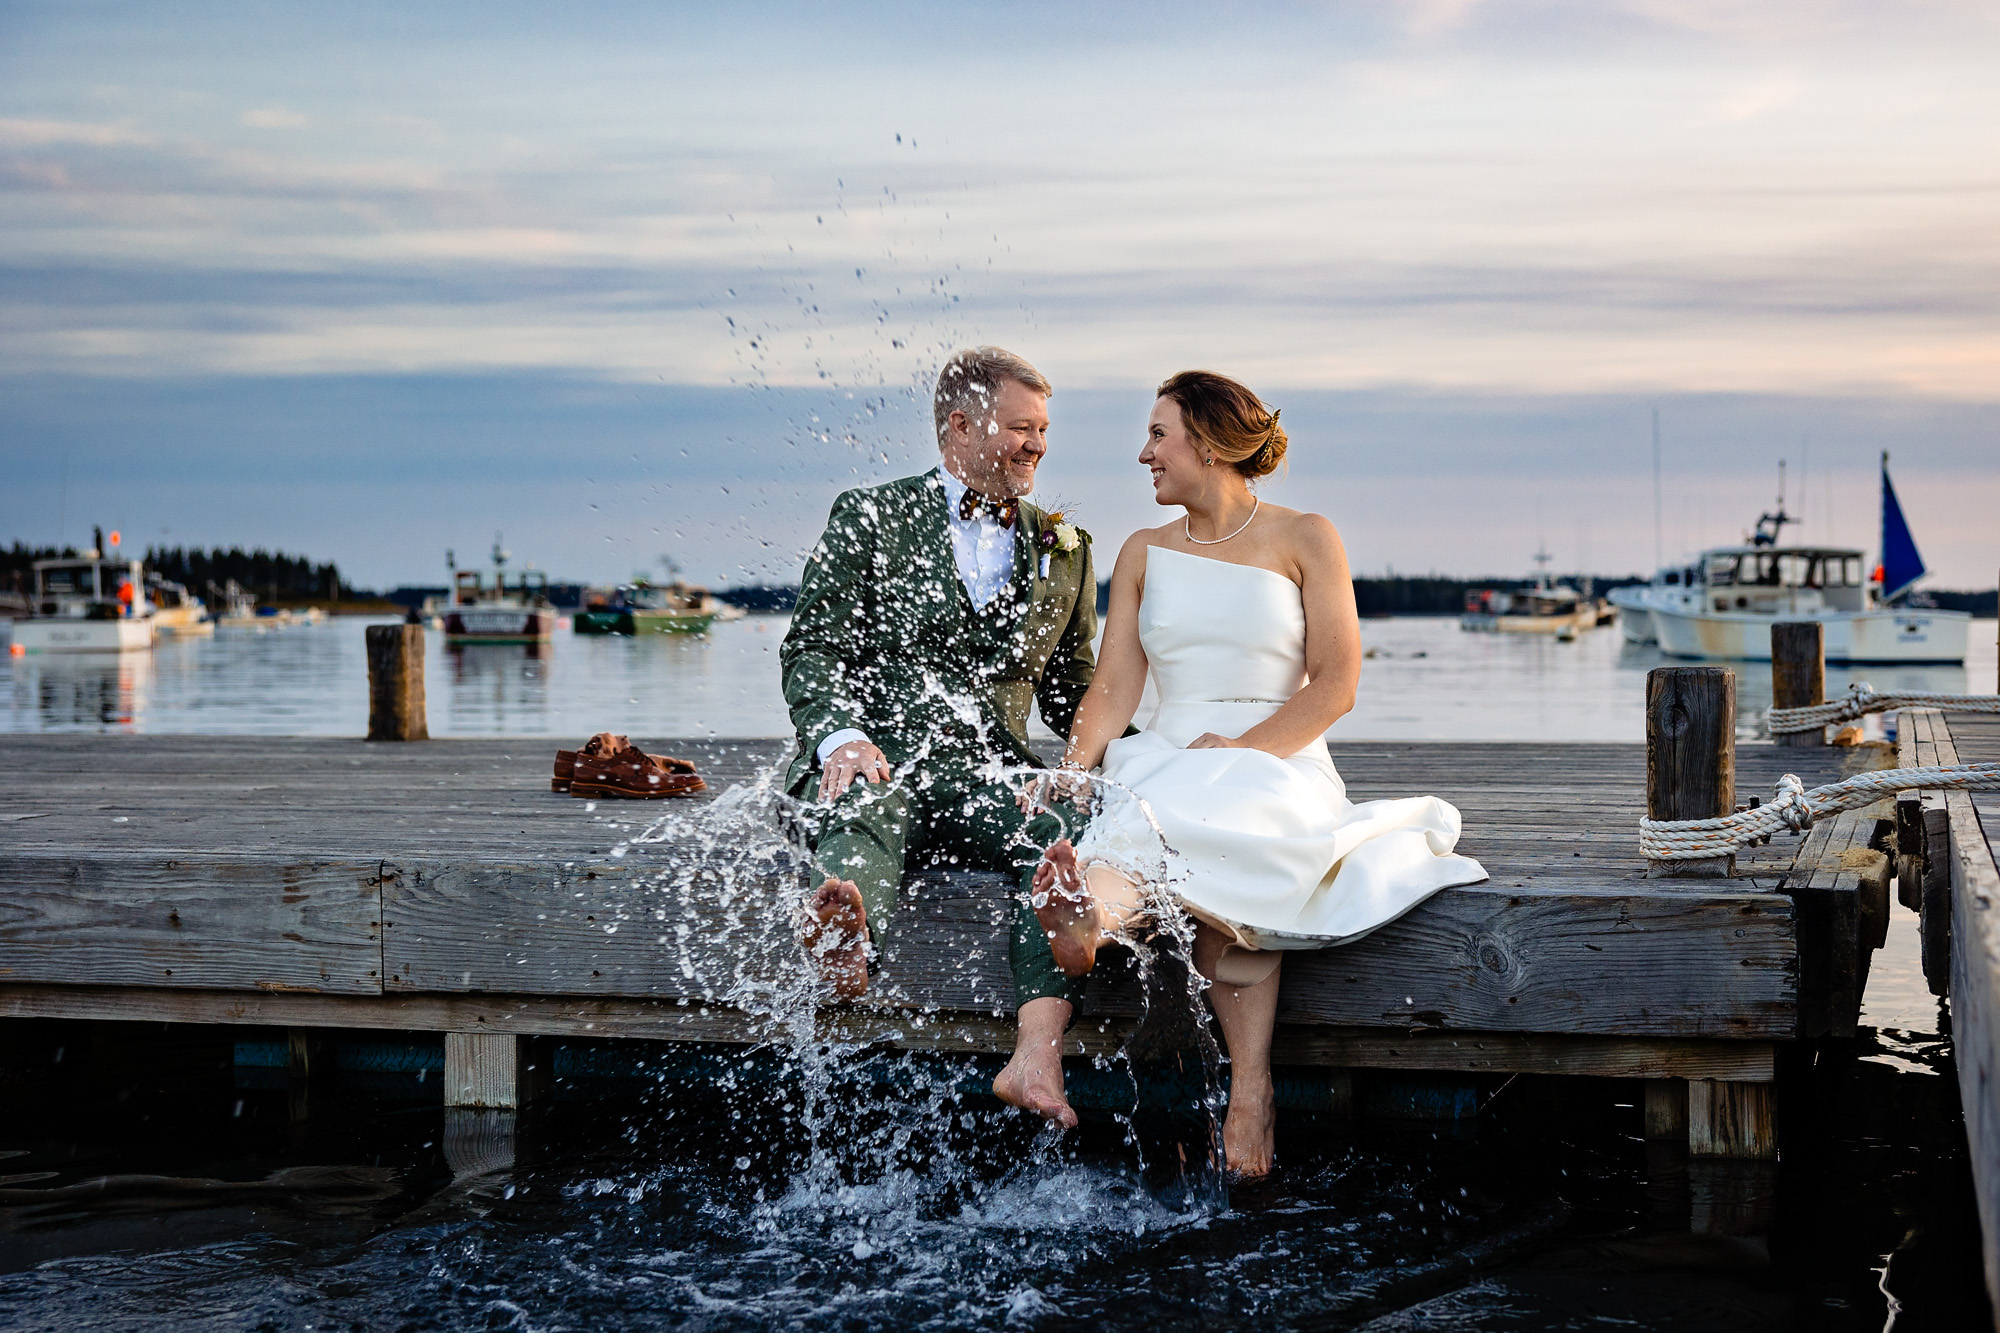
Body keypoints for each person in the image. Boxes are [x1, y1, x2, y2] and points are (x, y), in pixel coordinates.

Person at [996, 370, 1488, 1174]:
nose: (1144, 453)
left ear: (1212, 442)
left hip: (1278, 751)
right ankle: (1091, 925)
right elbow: (1116, 684)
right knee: (1142, 813)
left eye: (1159, 434)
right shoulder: (1143, 552)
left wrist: (1247, 748)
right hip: (1170, 747)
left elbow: (1336, 684)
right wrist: (1073, 766)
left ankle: (1241, 1082)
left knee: (1230, 810)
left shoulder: (1307, 536)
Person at [780, 347, 1100, 1106]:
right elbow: (811, 647)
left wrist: (1133, 757)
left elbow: (1077, 691)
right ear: (961, 424)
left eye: (1044, 429)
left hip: (990, 775)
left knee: (1056, 832)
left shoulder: (1065, 549)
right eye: (1022, 427)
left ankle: (1034, 1056)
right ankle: (844, 937)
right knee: (869, 802)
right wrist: (841, 737)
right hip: (878, 757)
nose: (1038, 445)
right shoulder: (868, 516)